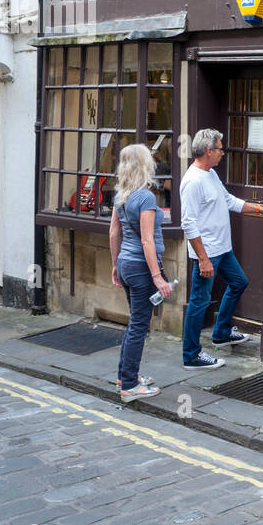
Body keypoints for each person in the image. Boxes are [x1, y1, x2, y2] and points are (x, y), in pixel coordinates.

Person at [180, 128, 263, 368]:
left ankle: (221, 333)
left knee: (239, 282)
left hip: (223, 249)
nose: (223, 153)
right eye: (220, 149)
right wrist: (202, 258)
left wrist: (261, 210)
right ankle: (191, 355)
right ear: (208, 151)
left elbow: (228, 201)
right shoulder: (192, 181)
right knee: (199, 301)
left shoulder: (210, 174)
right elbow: (188, 224)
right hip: (207, 253)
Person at [109, 143, 173, 402]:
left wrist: (115, 264)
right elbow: (147, 240)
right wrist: (157, 276)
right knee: (138, 325)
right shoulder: (145, 197)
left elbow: (114, 232)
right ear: (144, 165)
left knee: (134, 322)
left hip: (126, 263)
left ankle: (126, 376)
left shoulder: (121, 195)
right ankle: (129, 387)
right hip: (141, 268)